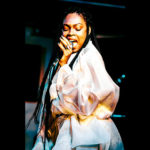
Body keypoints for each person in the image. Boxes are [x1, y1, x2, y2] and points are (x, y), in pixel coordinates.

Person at [26, 6, 124, 150]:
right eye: (66, 28)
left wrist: (64, 67)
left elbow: (83, 103)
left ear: (88, 30)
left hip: (83, 137)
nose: (71, 33)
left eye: (77, 28)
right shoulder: (65, 57)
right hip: (59, 134)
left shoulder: (90, 57)